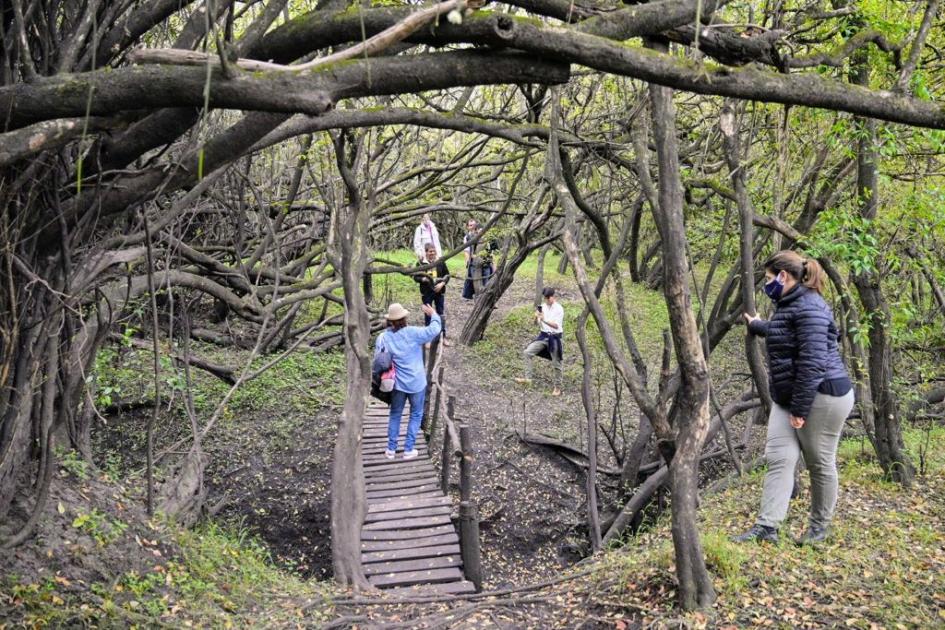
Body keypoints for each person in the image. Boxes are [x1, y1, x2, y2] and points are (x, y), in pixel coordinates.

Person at [734, 250, 854, 545]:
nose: (768, 284)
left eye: (769, 278)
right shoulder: (790, 303)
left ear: (783, 276)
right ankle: (767, 527)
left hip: (823, 396)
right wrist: (757, 325)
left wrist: (800, 409)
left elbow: (813, 362)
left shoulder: (810, 306)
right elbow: (785, 331)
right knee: (779, 457)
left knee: (819, 463)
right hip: (790, 396)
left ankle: (818, 528)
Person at [374, 302, 442, 460]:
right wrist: (434, 314)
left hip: (397, 384)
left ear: (389, 320)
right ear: (404, 318)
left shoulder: (383, 337)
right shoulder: (413, 333)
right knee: (416, 414)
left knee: (395, 414)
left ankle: (391, 449)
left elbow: (378, 357)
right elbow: (434, 329)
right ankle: (408, 450)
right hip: (417, 383)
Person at [514, 287, 564, 396]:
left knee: (557, 363)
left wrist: (544, 319)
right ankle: (528, 379)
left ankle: (558, 387)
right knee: (527, 352)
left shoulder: (559, 309)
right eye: (545, 298)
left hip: (555, 337)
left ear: (553, 297)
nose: (547, 300)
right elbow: (536, 323)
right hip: (543, 336)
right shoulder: (543, 307)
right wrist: (536, 317)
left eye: (548, 298)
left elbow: (556, 326)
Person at [413, 243, 450, 346]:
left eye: (434, 251)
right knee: (428, 315)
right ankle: (428, 339)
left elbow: (447, 275)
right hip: (426, 293)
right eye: (430, 251)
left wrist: (442, 284)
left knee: (440, 313)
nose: (432, 253)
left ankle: (443, 337)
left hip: (439, 292)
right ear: (426, 252)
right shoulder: (421, 263)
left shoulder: (440, 262)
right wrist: (423, 279)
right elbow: (415, 277)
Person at [462, 219, 495, 299]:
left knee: (486, 281)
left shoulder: (486, 237)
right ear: (467, 227)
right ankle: (478, 298)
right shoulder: (467, 237)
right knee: (476, 282)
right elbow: (467, 251)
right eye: (470, 225)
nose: (473, 227)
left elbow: (491, 252)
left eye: (474, 225)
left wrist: (493, 264)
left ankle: (485, 299)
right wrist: (468, 262)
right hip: (474, 264)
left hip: (486, 263)